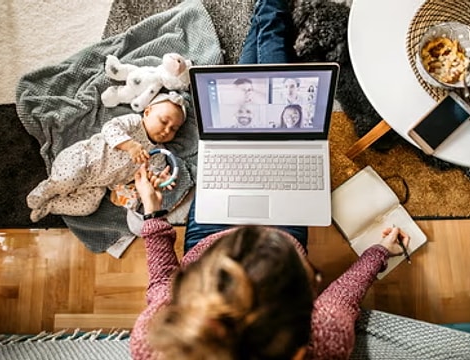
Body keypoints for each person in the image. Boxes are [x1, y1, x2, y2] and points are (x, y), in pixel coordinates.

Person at [129, 1, 411, 359]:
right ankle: (268, 12)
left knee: (247, 104)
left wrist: (153, 215)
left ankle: (267, 12)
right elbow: (343, 299)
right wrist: (378, 255)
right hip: (280, 229)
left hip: (208, 232)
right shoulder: (323, 345)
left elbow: (161, 283)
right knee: (270, 105)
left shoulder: (157, 342)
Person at [26, 91, 186, 222]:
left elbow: (152, 174)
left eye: (174, 129)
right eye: (164, 121)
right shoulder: (134, 123)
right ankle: (46, 190)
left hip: (96, 185)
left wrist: (159, 180)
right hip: (84, 160)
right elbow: (110, 128)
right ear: (147, 112)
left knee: (88, 206)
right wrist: (129, 145)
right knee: (67, 179)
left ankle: (50, 206)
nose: (167, 130)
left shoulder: (158, 154)